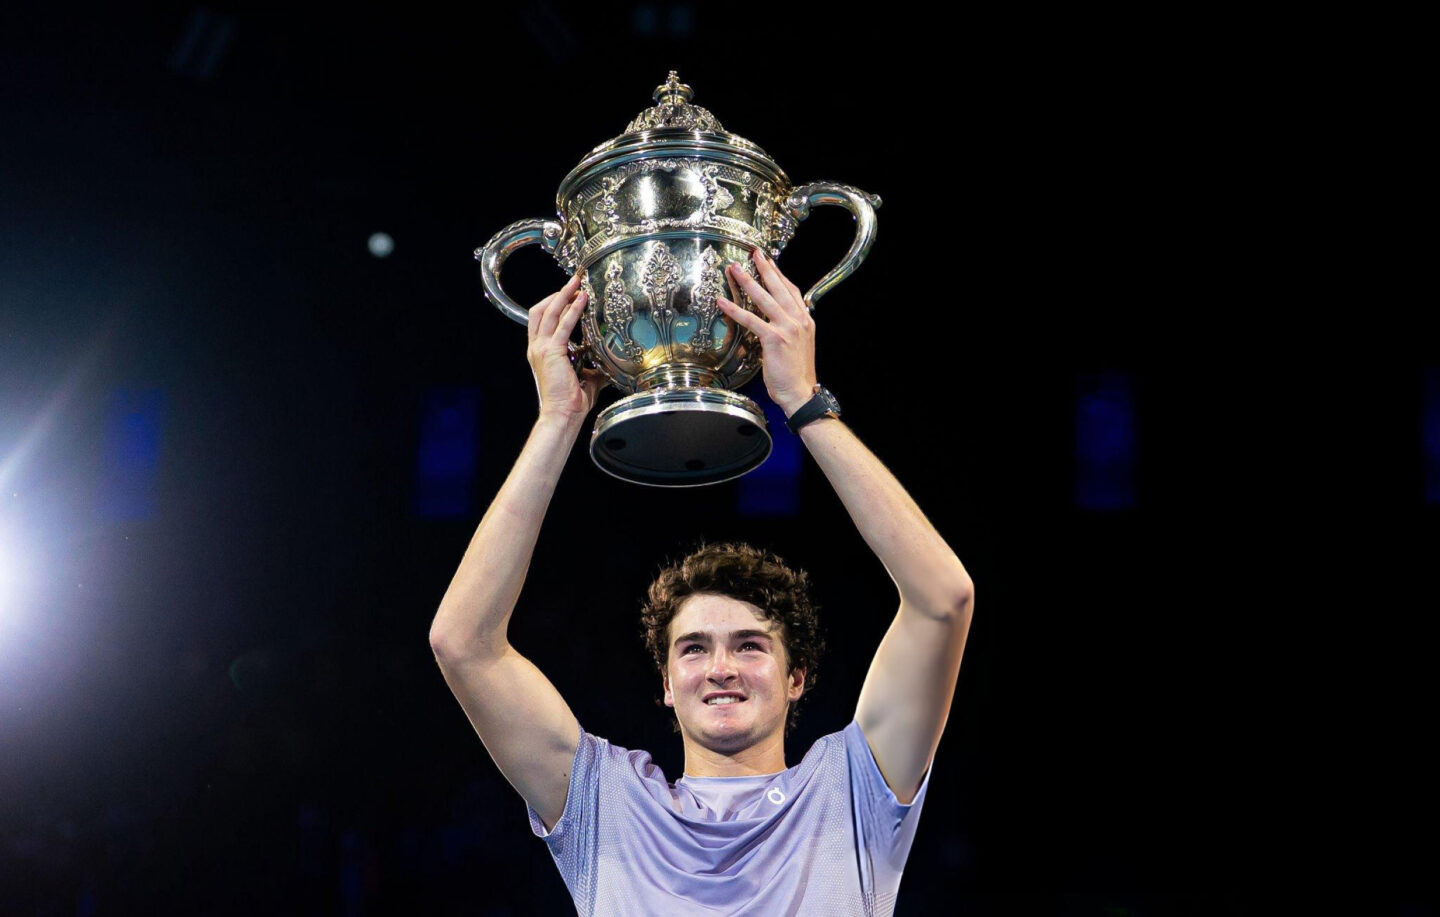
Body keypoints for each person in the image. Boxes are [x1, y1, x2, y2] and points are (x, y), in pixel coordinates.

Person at [429, 249, 975, 915]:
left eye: (750, 645)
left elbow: (943, 601)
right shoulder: (605, 804)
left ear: (797, 677)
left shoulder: (854, 789)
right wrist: (557, 420)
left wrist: (803, 402)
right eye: (693, 648)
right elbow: (463, 642)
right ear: (665, 682)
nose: (721, 668)